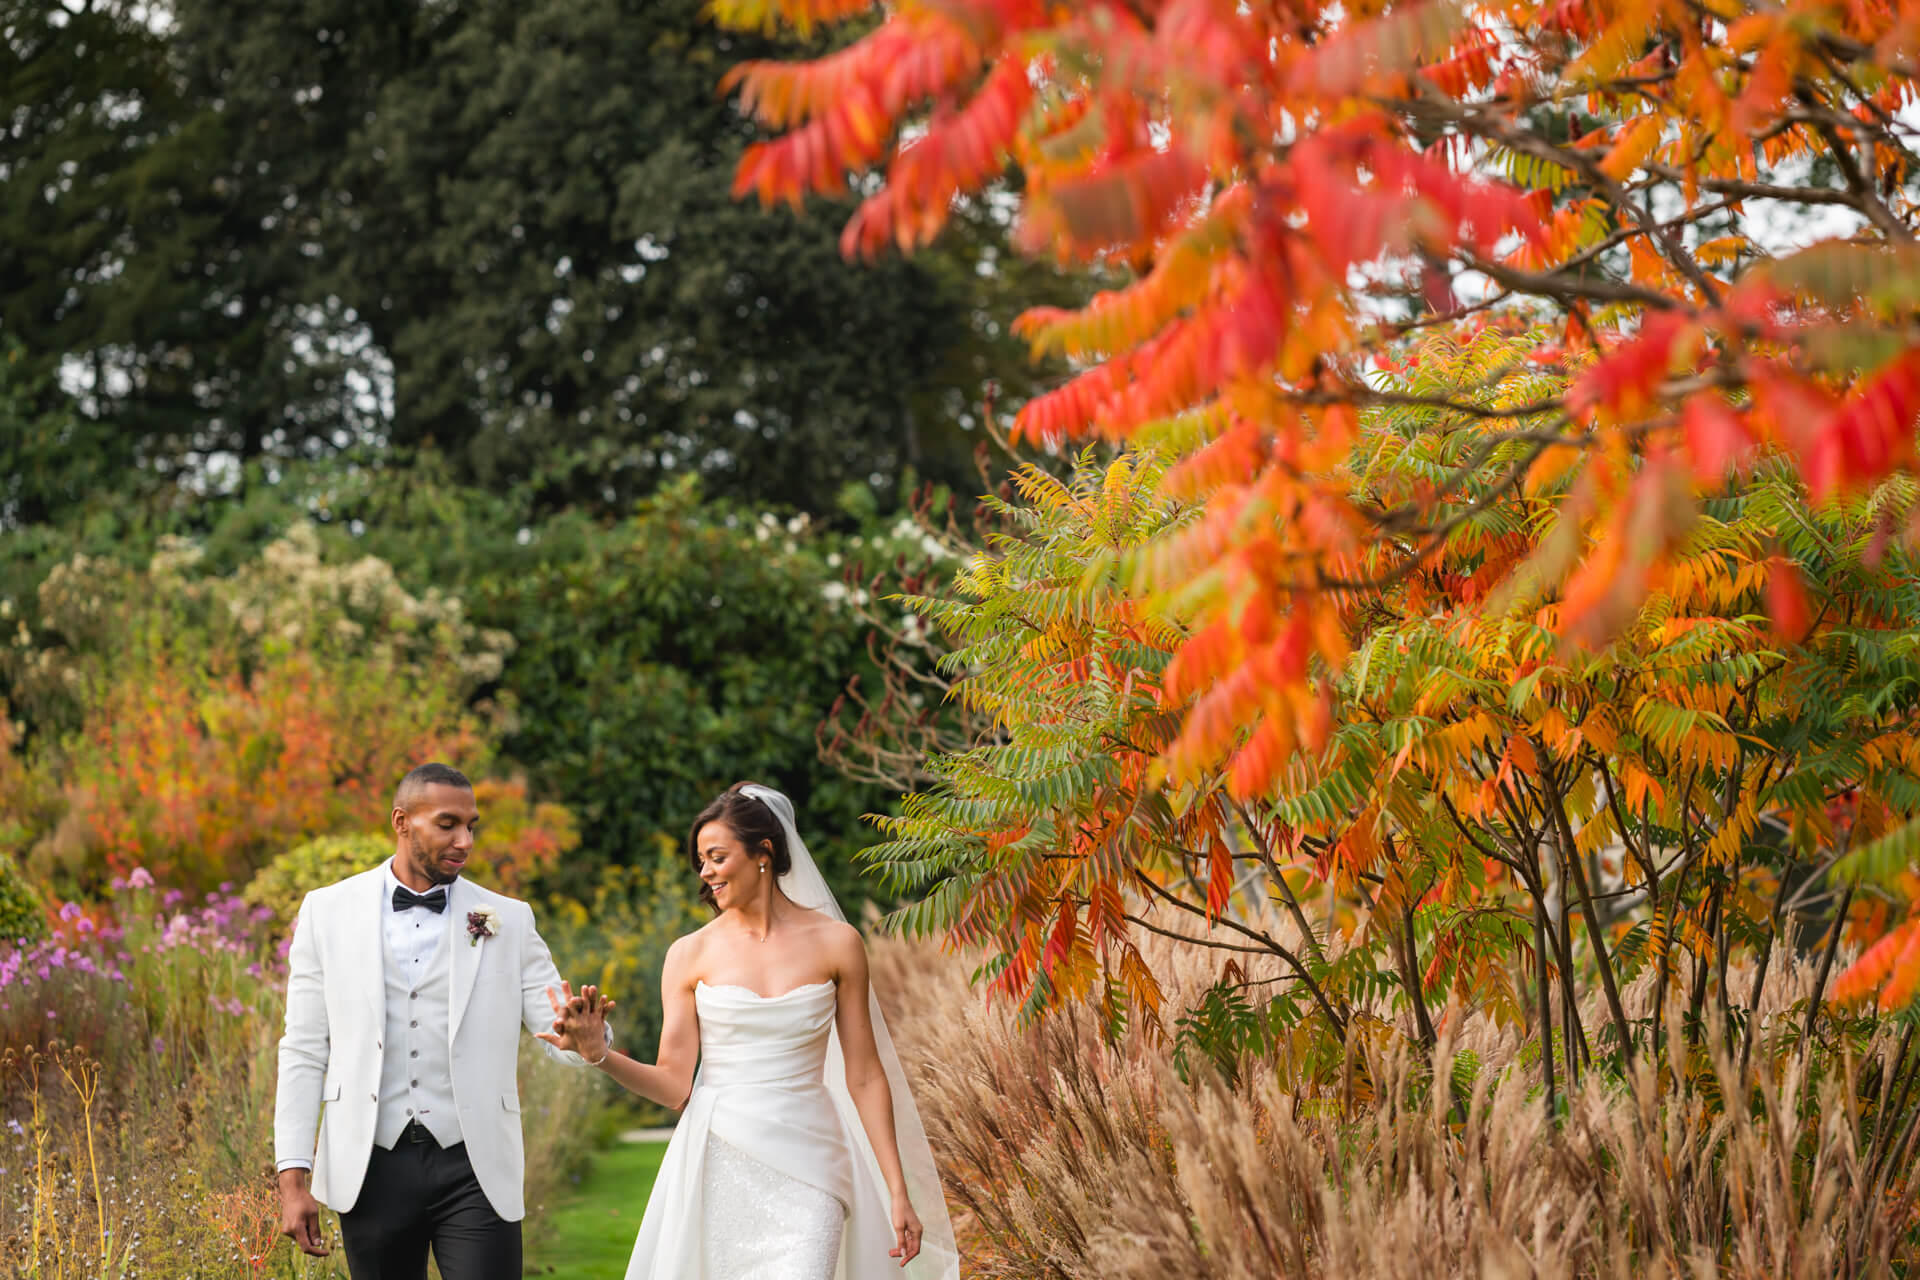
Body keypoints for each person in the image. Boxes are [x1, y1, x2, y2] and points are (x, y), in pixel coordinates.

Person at [541, 782, 960, 1279]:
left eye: (716, 857)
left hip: (813, 1162)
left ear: (763, 852)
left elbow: (865, 1076)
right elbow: (675, 1084)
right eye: (700, 860)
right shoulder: (688, 954)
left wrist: (897, 1189)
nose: (705, 872)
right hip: (720, 1158)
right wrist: (598, 1055)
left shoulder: (839, 944)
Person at [273, 762, 608, 1279]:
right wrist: (293, 1174)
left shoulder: (509, 919)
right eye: (448, 824)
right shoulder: (326, 911)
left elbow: (557, 1030)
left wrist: (588, 1041)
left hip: (474, 1167)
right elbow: (303, 1048)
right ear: (402, 821)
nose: (465, 840)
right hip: (370, 1164)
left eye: (472, 825)